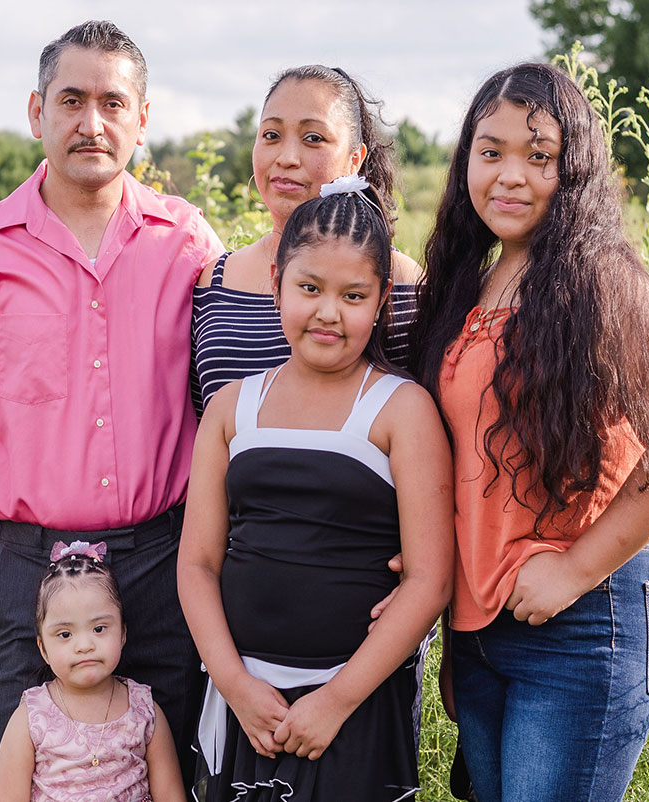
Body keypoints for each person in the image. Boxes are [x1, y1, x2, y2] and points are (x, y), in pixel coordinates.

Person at [0, 20, 223, 801]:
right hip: (31, 578)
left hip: (164, 570)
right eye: (71, 100)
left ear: (142, 119)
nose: (92, 123)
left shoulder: (187, 243)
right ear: (36, 111)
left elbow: (240, 398)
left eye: (113, 103)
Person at [408, 63, 649, 801]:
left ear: (573, 168)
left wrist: (572, 572)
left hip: (581, 621)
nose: (510, 175)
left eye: (539, 156)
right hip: (482, 631)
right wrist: (457, 628)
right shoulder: (466, 284)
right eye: (491, 152)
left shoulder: (603, 280)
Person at [178, 177, 454, 801]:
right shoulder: (231, 409)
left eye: (353, 295)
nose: (329, 312)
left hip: (354, 704)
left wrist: (337, 700)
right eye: (309, 289)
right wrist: (235, 685)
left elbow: (429, 580)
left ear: (382, 300)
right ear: (276, 282)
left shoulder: (401, 410)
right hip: (244, 705)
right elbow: (196, 564)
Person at [192, 64, 422, 416]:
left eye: (313, 138)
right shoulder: (216, 281)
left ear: (355, 159)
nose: (286, 158)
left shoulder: (405, 282)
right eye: (271, 135)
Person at [0, 542, 184, 802]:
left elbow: (171, 795)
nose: (84, 645)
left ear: (123, 633)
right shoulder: (30, 720)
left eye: (99, 629)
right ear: (43, 648)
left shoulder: (145, 711)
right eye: (65, 634)